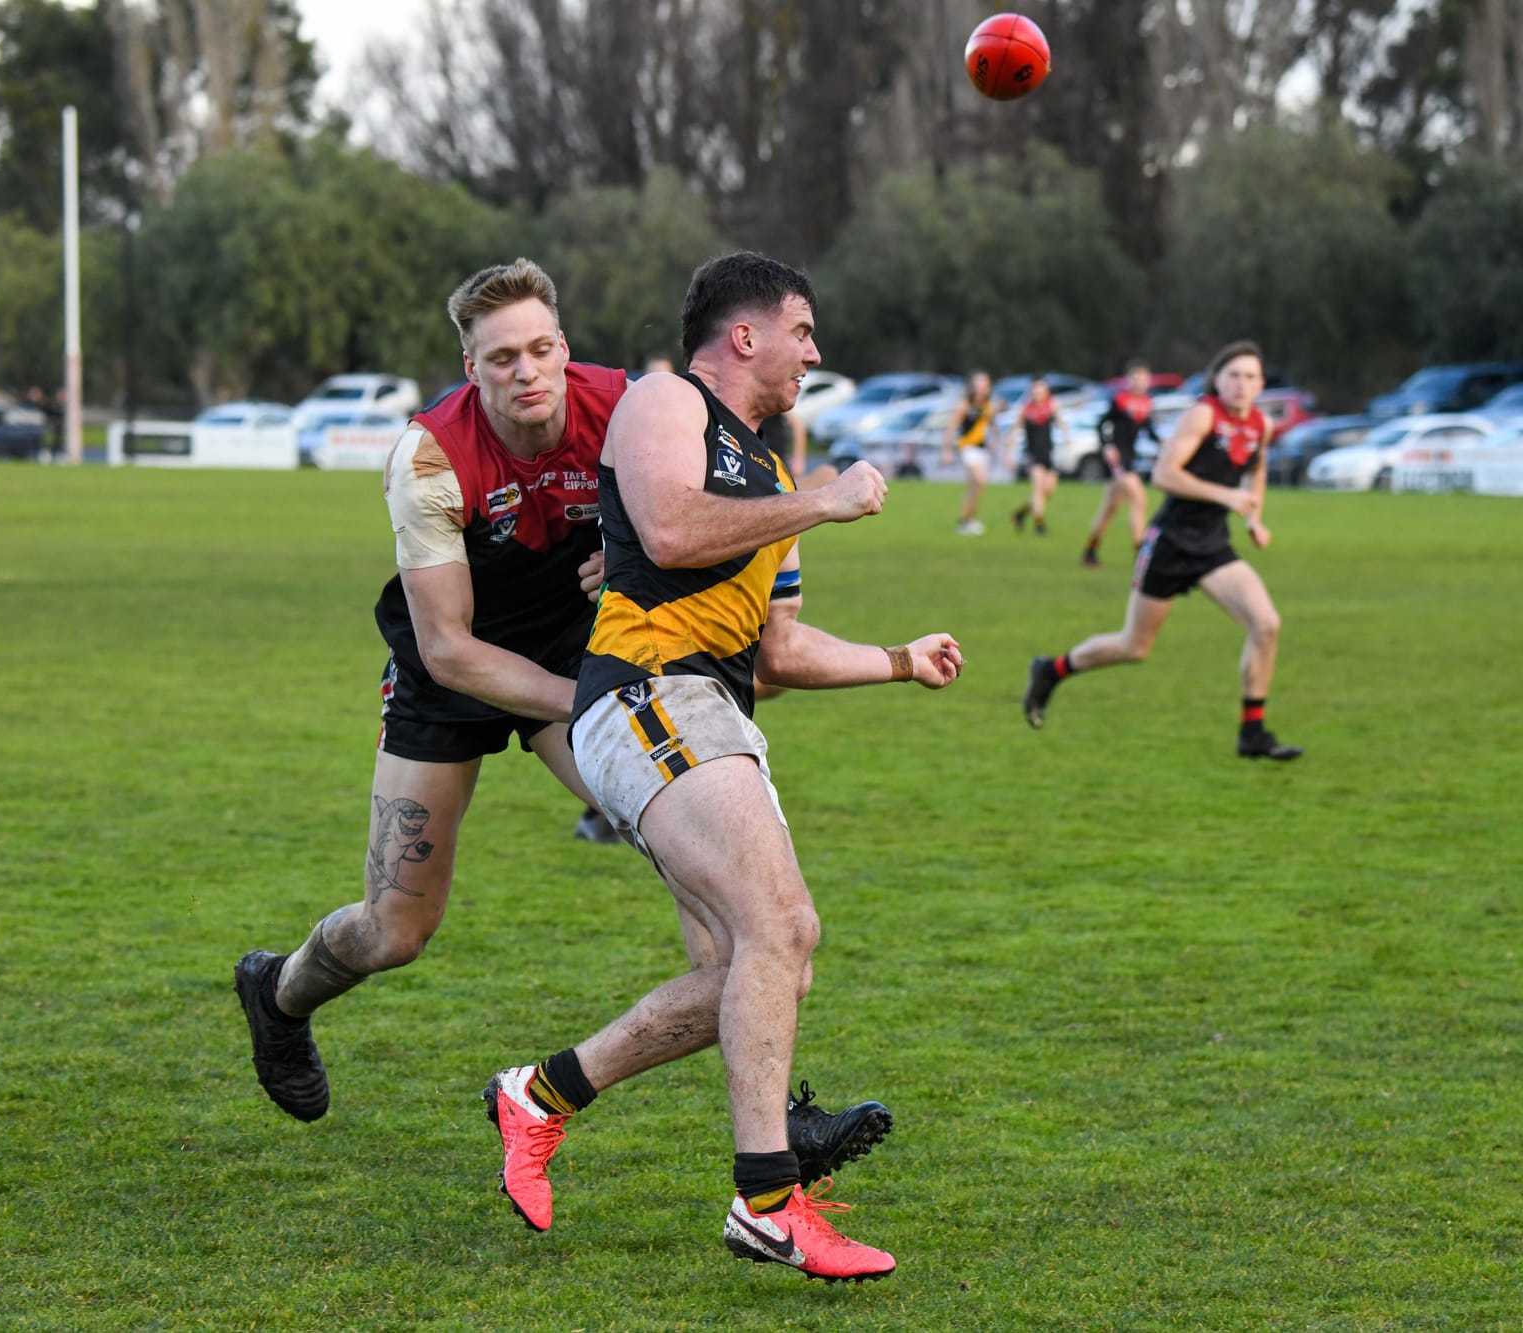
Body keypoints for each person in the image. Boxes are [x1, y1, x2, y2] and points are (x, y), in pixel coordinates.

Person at [232, 259, 894, 1177]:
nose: (527, 370)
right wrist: (589, 706)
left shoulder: (628, 403)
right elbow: (450, 645)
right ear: (471, 368)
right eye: (502, 357)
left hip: (584, 656)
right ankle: (281, 992)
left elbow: (670, 515)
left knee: (703, 864)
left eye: (542, 348)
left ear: (566, 347)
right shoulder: (428, 456)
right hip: (455, 668)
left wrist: (621, 573)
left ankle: (775, 1122)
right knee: (396, 929)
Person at [483, 252, 964, 1282]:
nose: (814, 351)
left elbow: (777, 651)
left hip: (712, 709)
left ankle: (541, 1094)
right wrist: (824, 504)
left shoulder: (778, 479)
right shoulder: (667, 402)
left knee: (746, 971)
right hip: (646, 692)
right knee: (781, 928)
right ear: (744, 334)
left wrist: (894, 660)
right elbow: (666, 526)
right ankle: (765, 1199)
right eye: (803, 329)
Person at [1023, 341, 1301, 760]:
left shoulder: (1260, 424)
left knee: (1266, 624)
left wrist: (1253, 520)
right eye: (1233, 376)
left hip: (1212, 546)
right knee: (1134, 647)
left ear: (1261, 384)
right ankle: (1051, 670)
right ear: (1218, 381)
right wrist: (1227, 497)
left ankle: (1253, 733)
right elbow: (1165, 475)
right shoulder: (1203, 414)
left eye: (1250, 377)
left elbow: (1256, 471)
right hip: (1170, 542)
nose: (1242, 385)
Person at [1081, 361, 1162, 567]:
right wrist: (1107, 446)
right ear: (1129, 380)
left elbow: (1148, 430)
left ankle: (1090, 551)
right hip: (1118, 461)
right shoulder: (1120, 400)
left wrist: (1163, 443)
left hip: (1130, 458)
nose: (1140, 382)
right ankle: (1141, 554)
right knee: (1139, 500)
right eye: (1136, 378)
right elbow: (1101, 425)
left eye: (1144, 378)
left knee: (1109, 508)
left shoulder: (1146, 403)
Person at [947, 371, 1003, 535]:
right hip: (966, 448)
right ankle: (967, 520)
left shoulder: (987, 406)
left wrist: (995, 442)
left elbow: (993, 426)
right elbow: (951, 426)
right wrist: (947, 450)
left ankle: (967, 519)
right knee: (980, 481)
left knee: (975, 487)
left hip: (981, 450)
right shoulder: (965, 404)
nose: (981, 387)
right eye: (978, 384)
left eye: (984, 384)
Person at [1009, 377, 1060, 535]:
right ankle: (1040, 525)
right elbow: (1014, 429)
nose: (1037, 393)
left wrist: (1067, 438)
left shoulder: (1052, 405)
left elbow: (1061, 423)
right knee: (1038, 490)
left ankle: (1020, 514)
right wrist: (1008, 452)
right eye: (1035, 390)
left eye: (1041, 389)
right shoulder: (1026, 409)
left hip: (1048, 454)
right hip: (1033, 454)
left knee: (1048, 490)